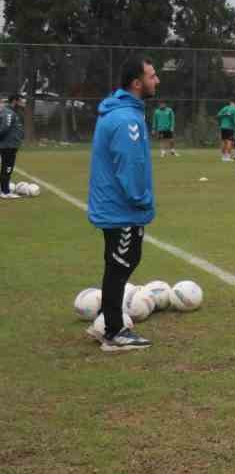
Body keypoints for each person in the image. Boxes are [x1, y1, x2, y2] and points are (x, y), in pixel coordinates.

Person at [87, 55, 159, 351]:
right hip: (122, 207)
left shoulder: (122, 112)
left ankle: (107, 320)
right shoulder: (127, 118)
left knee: (120, 262)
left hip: (115, 205)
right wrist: (141, 199)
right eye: (152, 75)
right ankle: (114, 332)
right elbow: (130, 164)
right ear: (136, 82)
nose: (157, 80)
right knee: (121, 263)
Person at [0, 93, 23, 199]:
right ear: (15, 101)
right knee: (7, 168)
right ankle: (5, 192)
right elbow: (4, 128)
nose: (21, 103)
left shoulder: (10, 112)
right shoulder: (8, 113)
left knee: (6, 168)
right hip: (8, 146)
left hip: (10, 145)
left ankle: (4, 190)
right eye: (20, 101)